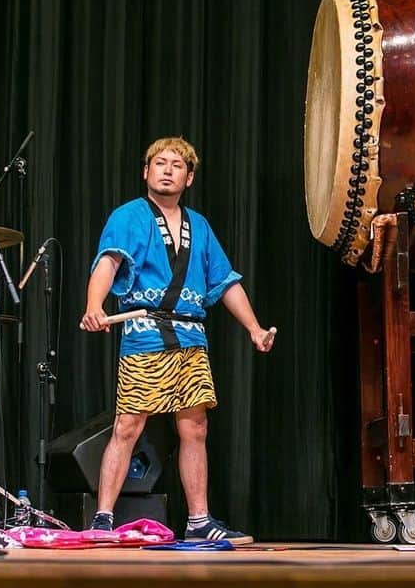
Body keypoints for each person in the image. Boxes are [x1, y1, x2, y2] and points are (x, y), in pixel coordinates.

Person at [80, 136, 274, 544]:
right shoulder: (128, 216)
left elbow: (225, 282)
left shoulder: (199, 226)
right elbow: (108, 262)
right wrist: (94, 304)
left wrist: (254, 328)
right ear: (145, 172)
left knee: (195, 427)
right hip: (146, 332)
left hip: (191, 335)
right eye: (160, 163)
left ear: (189, 177)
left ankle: (199, 520)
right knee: (128, 425)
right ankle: (102, 519)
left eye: (177, 165)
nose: (168, 169)